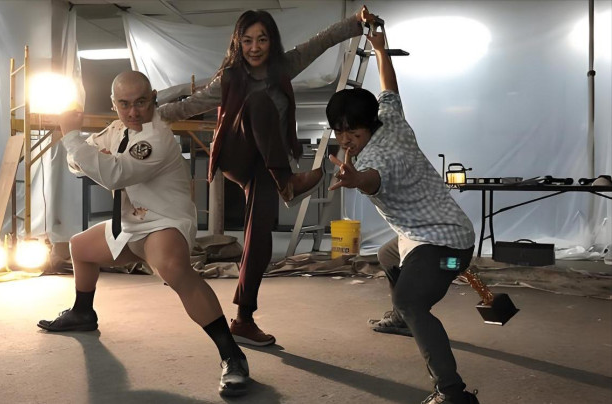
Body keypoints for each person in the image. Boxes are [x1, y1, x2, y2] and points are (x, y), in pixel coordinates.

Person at [158, 5, 377, 347]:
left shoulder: (283, 66)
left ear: (271, 41)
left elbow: (322, 41)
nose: (254, 47)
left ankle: (244, 318)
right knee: (259, 102)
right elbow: (190, 105)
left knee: (259, 233)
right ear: (238, 43)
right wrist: (146, 114)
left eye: (261, 39)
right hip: (236, 155)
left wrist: (356, 23)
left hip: (265, 165)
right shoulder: (230, 77)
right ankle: (287, 181)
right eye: (247, 40)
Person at [38, 71, 249, 397]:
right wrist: (87, 155)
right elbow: (76, 164)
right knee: (80, 247)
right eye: (124, 104)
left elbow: (112, 174)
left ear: (153, 98)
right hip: (128, 224)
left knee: (174, 270)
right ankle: (82, 312)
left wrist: (74, 138)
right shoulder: (116, 129)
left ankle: (233, 356)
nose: (133, 111)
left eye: (140, 102)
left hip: (162, 223)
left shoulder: (157, 138)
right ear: (114, 104)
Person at [325, 27, 480, 404]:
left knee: (412, 301)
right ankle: (401, 319)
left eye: (353, 133)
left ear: (369, 126)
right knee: (386, 255)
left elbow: (373, 178)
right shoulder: (390, 117)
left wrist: (355, 179)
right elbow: (389, 87)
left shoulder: (380, 157)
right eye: (339, 132)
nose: (345, 140)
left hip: (448, 251)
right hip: (430, 233)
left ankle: (452, 392)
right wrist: (380, 49)